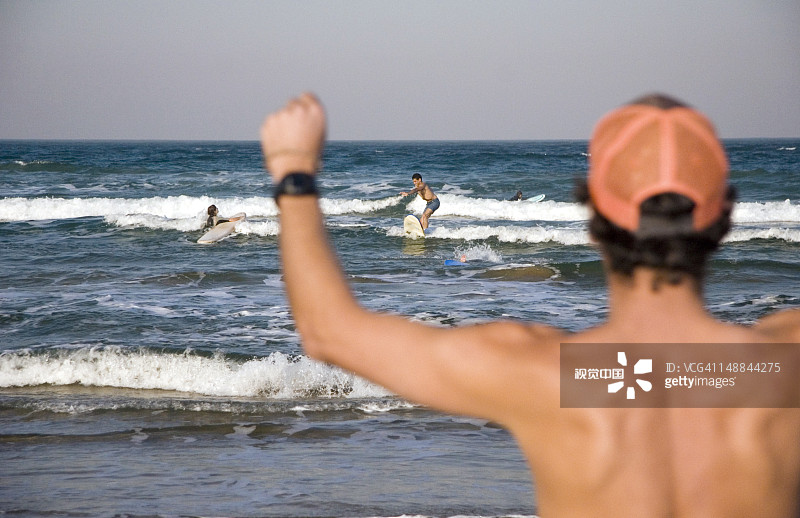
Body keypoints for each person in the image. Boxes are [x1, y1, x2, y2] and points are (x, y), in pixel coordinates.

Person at [260, 92, 800, 516]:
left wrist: (294, 169)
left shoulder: (544, 372)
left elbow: (328, 331)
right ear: (726, 217)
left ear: (592, 221)